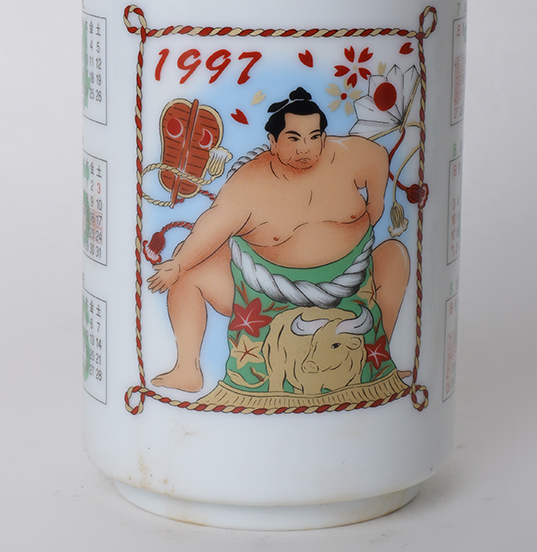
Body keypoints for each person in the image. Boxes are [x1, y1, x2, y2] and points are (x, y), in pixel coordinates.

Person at [148, 88, 410, 393]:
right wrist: (178, 265)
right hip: (267, 288)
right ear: (273, 142)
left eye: (314, 137)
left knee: (395, 255)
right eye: (294, 138)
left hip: (352, 278)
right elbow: (213, 224)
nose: (305, 148)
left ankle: (377, 363)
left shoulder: (353, 155)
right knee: (187, 272)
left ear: (324, 137)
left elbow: (378, 163)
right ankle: (187, 370)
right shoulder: (249, 184)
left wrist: (371, 210)